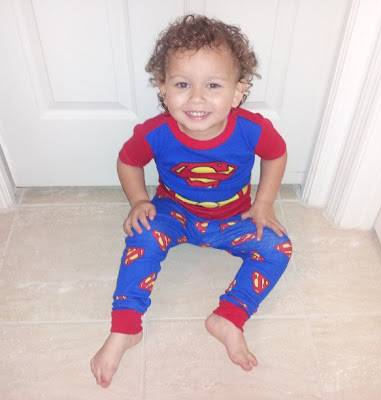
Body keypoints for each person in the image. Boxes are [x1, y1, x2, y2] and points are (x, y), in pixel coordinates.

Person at [91, 14, 292, 388]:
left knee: (278, 247)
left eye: (213, 85)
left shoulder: (252, 129)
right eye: (182, 84)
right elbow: (128, 161)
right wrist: (138, 200)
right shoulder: (155, 133)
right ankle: (125, 328)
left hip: (234, 220)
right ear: (163, 88)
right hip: (175, 214)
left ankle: (229, 317)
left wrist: (264, 203)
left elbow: (276, 154)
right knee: (142, 235)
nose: (197, 98)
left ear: (238, 92)